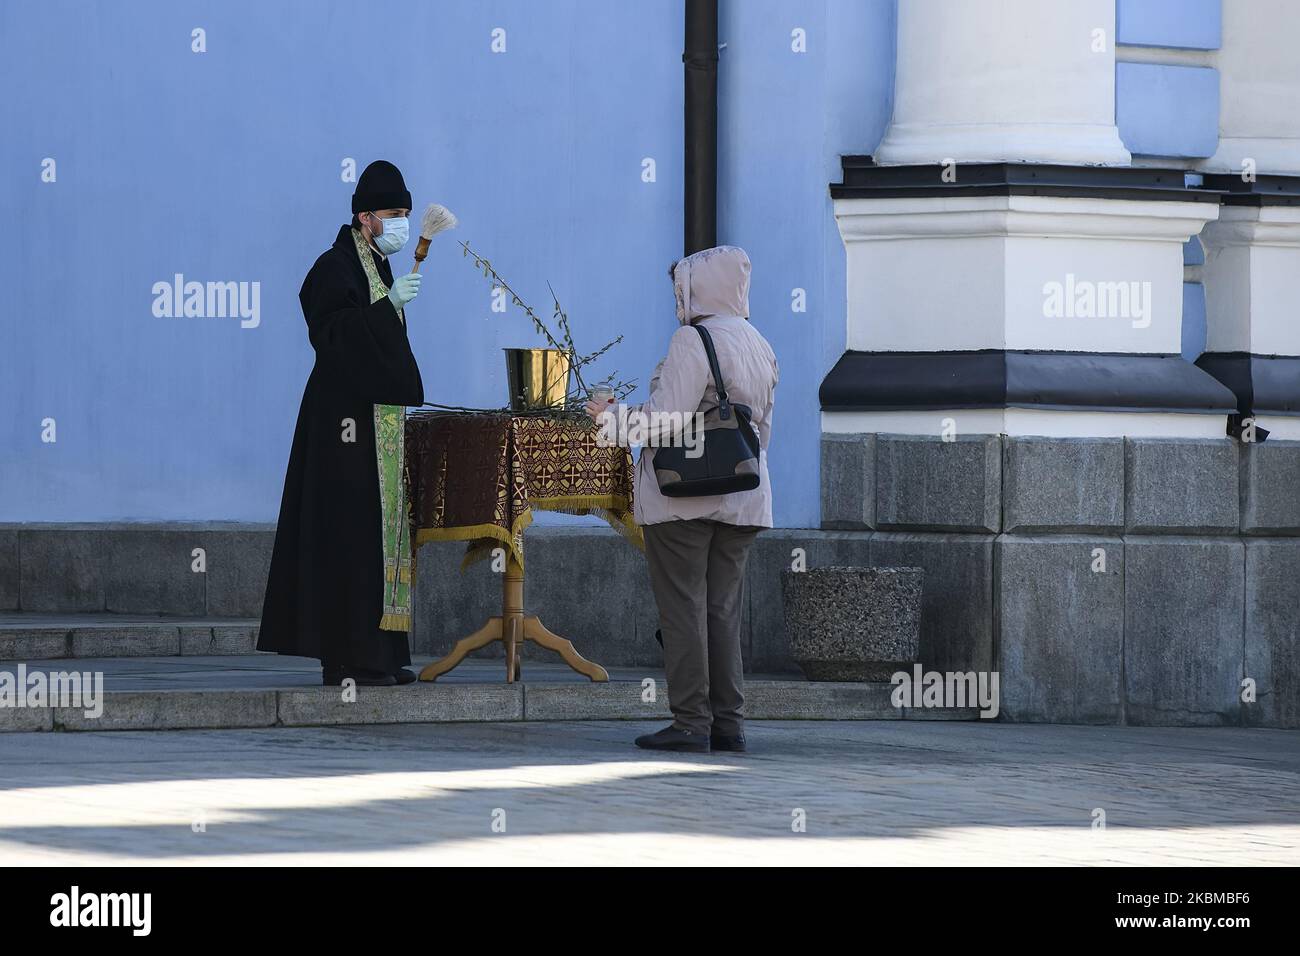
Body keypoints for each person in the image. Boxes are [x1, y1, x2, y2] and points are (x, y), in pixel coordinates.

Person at [589, 245, 778, 753]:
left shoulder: (692, 339)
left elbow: (665, 419)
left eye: (681, 285)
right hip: (743, 496)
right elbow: (761, 431)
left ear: (695, 287)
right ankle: (728, 723)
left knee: (683, 610)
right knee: (721, 611)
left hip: (682, 498)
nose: (677, 295)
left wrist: (610, 418)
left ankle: (691, 721)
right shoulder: (757, 342)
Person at [258, 160, 425, 687]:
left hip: (376, 421)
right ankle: (346, 656)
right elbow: (332, 337)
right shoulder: (333, 267)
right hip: (343, 425)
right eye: (393, 214)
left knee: (377, 536)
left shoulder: (377, 267)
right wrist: (386, 308)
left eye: (405, 213)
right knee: (348, 534)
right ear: (365, 217)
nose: (400, 223)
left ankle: (379, 653)